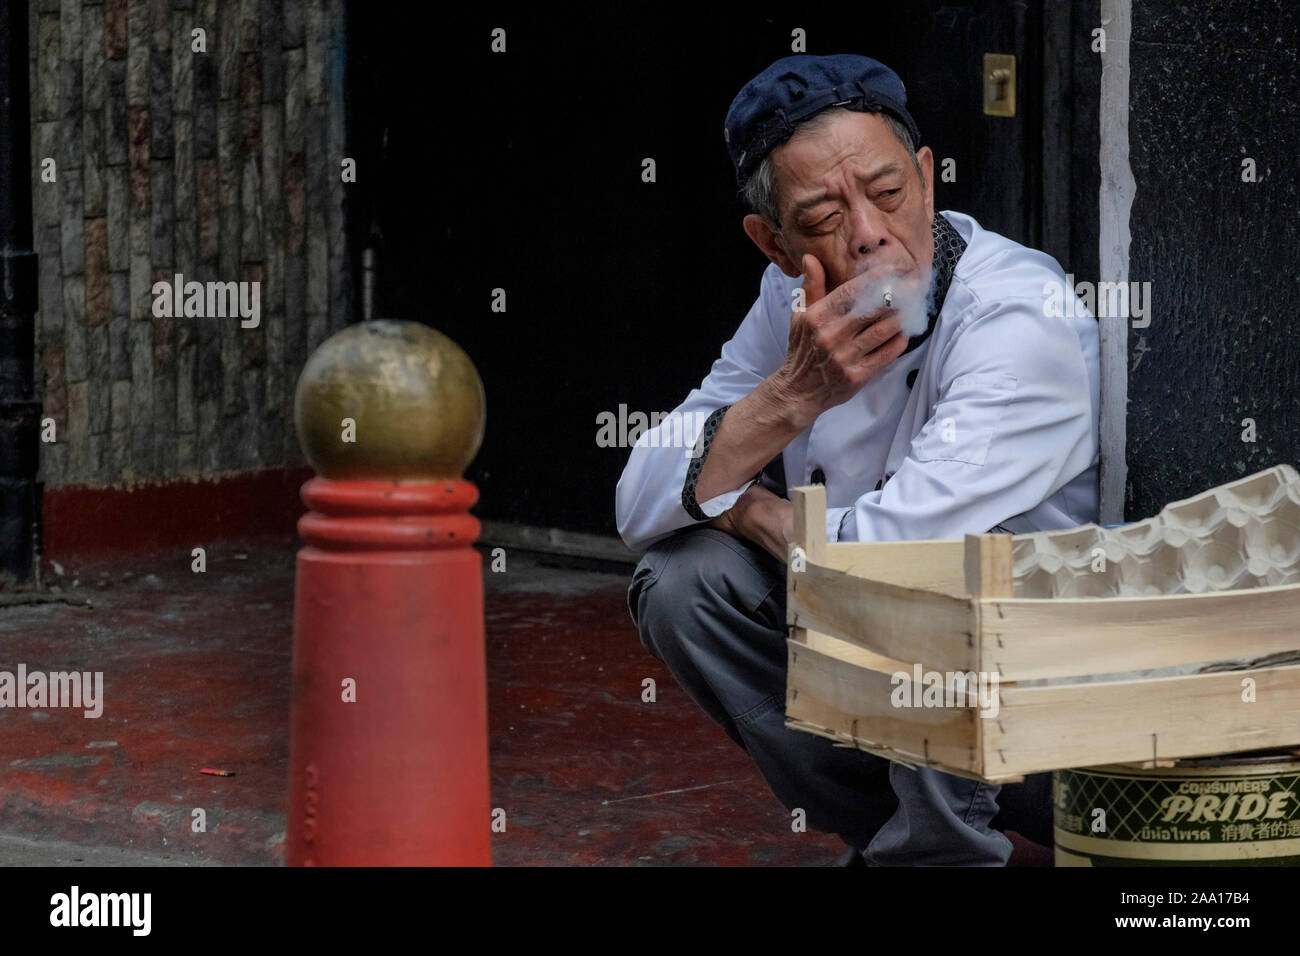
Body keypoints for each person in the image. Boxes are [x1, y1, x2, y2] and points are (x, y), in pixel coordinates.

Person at [616, 54, 1098, 865]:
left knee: (936, 582)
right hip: (877, 673)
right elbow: (638, 499)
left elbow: (890, 561)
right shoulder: (794, 299)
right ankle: (897, 844)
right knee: (682, 583)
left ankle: (943, 852)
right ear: (773, 243)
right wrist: (788, 399)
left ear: (925, 177)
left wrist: (756, 507)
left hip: (1052, 721)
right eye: (822, 215)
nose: (869, 233)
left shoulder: (1019, 315)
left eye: (887, 194)